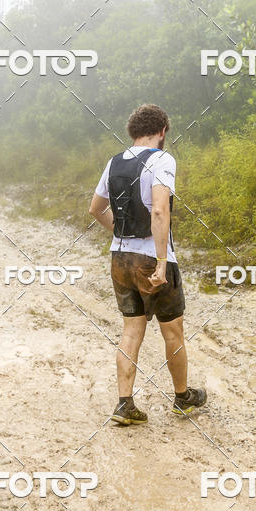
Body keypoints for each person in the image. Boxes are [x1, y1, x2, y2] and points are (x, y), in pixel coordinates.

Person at [89, 103, 207, 425]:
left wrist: (120, 231)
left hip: (120, 258)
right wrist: (160, 262)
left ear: (133, 132)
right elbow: (159, 210)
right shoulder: (162, 159)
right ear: (163, 131)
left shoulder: (113, 163)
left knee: (131, 331)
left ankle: (124, 404)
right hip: (150, 258)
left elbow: (96, 209)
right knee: (173, 330)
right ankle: (182, 398)